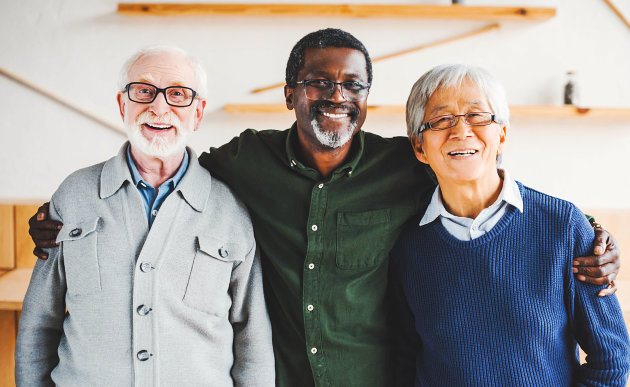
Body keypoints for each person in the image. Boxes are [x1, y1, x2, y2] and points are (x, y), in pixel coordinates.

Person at [28, 29, 622, 386]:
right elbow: (166, 165)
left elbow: (478, 171)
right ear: (291, 92)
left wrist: (591, 235)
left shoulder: (406, 166)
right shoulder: (242, 162)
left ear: (367, 99)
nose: (335, 95)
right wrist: (64, 217)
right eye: (318, 82)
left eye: (353, 85)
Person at [15, 46, 274, 386]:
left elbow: (253, 338)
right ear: (123, 105)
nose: (159, 106)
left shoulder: (230, 209)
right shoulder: (74, 195)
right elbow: (38, 323)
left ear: (197, 113)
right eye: (143, 91)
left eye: (178, 94)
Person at [390, 64, 630, 385]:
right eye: (442, 119)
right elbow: (404, 360)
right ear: (419, 146)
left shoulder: (563, 226)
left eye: (477, 116)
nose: (461, 132)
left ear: (501, 134)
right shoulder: (407, 245)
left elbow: (611, 359)